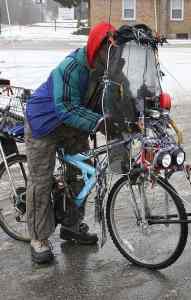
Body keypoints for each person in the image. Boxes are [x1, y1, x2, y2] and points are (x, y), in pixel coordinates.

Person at [25, 22, 116, 264]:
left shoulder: (104, 71)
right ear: (95, 48)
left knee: (83, 173)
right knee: (41, 181)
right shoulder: (72, 67)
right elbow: (66, 107)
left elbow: (111, 101)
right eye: (105, 52)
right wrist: (99, 123)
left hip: (73, 126)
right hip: (44, 124)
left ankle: (72, 226)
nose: (109, 58)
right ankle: (38, 238)